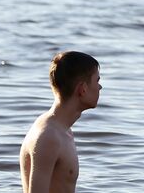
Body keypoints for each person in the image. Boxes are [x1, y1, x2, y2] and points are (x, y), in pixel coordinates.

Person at [20, 51, 101, 193]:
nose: (100, 87)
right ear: (82, 89)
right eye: (97, 81)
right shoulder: (49, 137)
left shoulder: (62, 130)